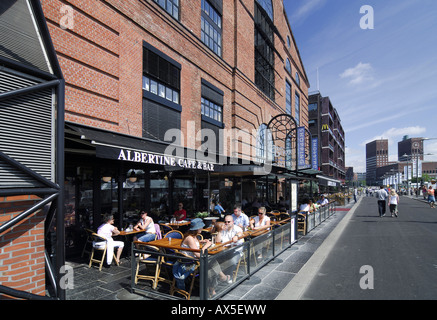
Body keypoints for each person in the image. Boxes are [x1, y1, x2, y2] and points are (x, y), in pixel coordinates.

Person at [173, 218, 230, 296]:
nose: (202, 228)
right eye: (201, 227)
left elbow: (193, 245)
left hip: (193, 260)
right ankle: (221, 278)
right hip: (189, 263)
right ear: (196, 228)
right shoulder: (190, 238)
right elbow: (199, 255)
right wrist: (206, 246)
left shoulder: (193, 236)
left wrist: (200, 241)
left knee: (210, 268)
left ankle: (212, 289)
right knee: (212, 262)